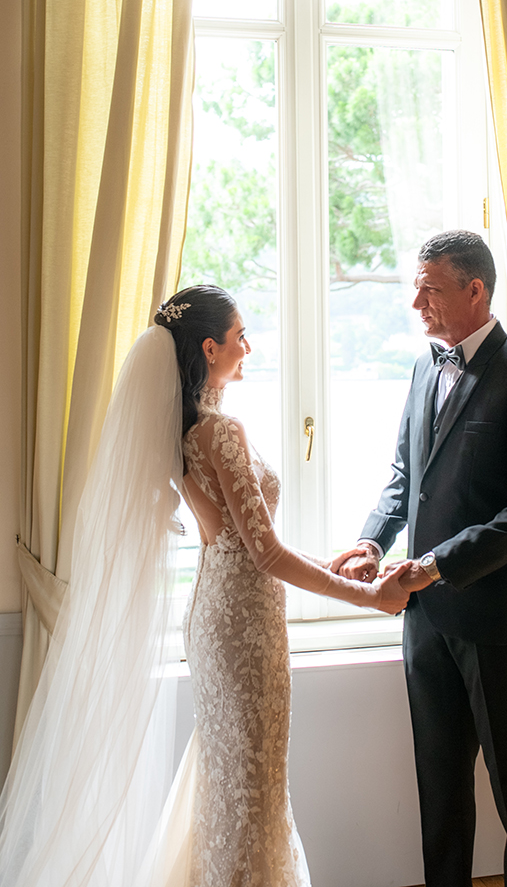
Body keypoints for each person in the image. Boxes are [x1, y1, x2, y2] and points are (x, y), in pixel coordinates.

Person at [0, 284, 408, 887]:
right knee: (254, 783)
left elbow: (242, 544)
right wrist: (369, 597)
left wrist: (332, 563)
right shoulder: (221, 432)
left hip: (218, 612)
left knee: (232, 777)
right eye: (241, 335)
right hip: (243, 624)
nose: (250, 347)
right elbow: (264, 552)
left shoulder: (184, 432)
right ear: (211, 348)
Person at [336, 231, 507, 887]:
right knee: (439, 790)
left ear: (476, 290)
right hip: (425, 622)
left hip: (497, 624)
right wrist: (373, 540)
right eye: (416, 288)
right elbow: (405, 477)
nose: (416, 303)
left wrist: (436, 563)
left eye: (430, 289)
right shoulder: (421, 368)